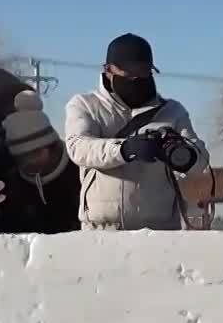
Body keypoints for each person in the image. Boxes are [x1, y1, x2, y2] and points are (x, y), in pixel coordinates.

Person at [65, 33, 208, 232]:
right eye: (129, 74)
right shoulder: (86, 105)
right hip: (102, 229)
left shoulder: (172, 111)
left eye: (144, 73)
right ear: (108, 70)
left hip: (159, 229)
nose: (137, 80)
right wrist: (123, 149)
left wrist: (183, 154)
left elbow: (200, 160)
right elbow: (78, 147)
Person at [0, 71, 81, 235]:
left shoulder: (79, 169)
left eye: (37, 152)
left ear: (49, 146)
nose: (30, 161)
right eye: (24, 157)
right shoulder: (9, 183)